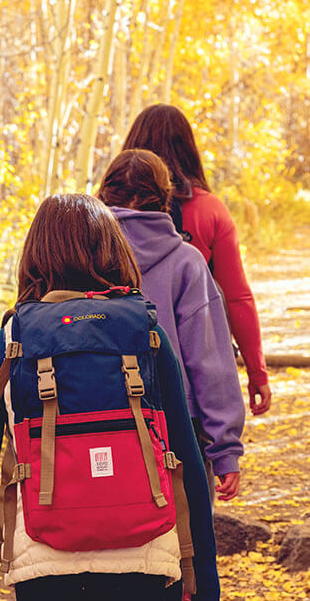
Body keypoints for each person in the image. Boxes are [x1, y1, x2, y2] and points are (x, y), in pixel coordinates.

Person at [0, 194, 220, 601]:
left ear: (35, 256)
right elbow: (184, 454)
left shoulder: (9, 344)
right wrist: (202, 570)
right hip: (147, 558)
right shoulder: (147, 336)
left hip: (44, 562)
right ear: (114, 252)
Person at [98, 149, 245, 501]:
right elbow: (210, 361)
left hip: (92, 417)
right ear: (165, 198)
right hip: (177, 426)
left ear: (103, 194)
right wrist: (225, 449)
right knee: (187, 540)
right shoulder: (187, 263)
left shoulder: (81, 257)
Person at [122, 104, 271, 417]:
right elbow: (237, 297)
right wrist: (256, 373)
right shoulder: (210, 211)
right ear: (189, 150)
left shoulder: (102, 215)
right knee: (193, 463)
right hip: (193, 382)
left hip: (118, 373)